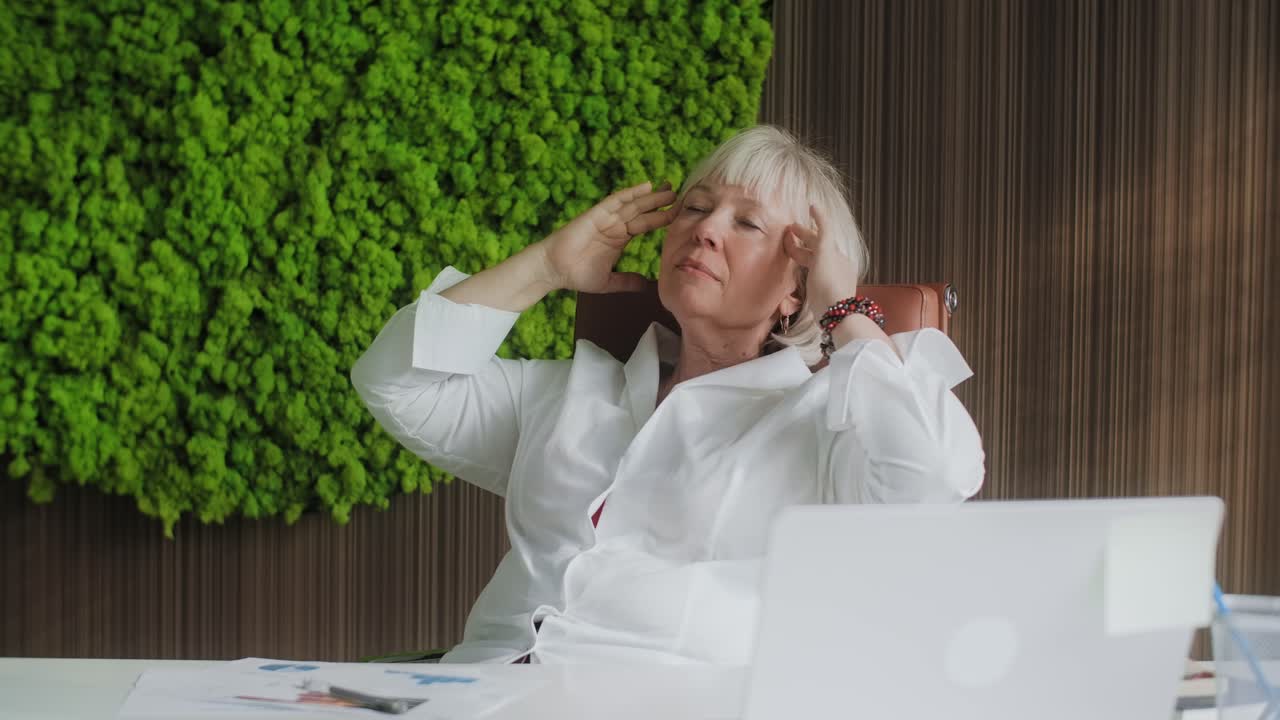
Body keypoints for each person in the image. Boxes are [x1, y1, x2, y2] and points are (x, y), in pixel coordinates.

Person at [351, 125, 985, 665]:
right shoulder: (573, 390)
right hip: (475, 690)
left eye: (747, 223)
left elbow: (928, 481)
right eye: (694, 207)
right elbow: (396, 383)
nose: (706, 229)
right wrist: (546, 266)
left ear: (797, 286)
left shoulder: (823, 424)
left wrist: (844, 308)